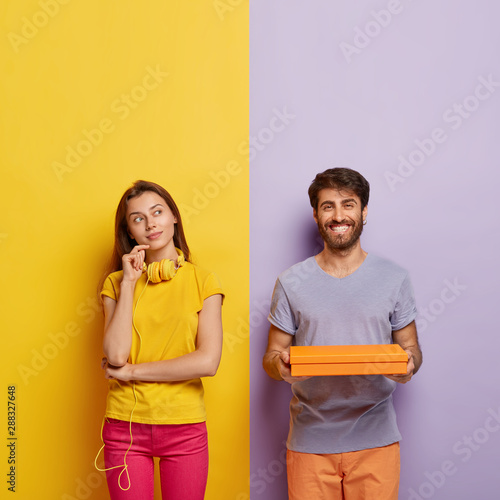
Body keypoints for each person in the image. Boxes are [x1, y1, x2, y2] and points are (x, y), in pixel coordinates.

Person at [263, 168, 422, 500]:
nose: (338, 215)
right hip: (310, 441)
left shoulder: (394, 278)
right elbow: (271, 356)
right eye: (328, 206)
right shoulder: (290, 282)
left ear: (363, 212)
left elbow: (411, 349)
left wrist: (408, 365)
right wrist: (281, 365)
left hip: (376, 440)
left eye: (348, 205)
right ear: (316, 215)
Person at [96, 180, 224, 500]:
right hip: (125, 428)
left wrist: (131, 373)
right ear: (130, 232)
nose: (151, 223)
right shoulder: (115, 283)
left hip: (185, 428)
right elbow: (115, 355)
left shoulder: (202, 280)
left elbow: (207, 362)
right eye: (138, 218)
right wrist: (129, 283)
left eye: (158, 212)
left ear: (174, 218)